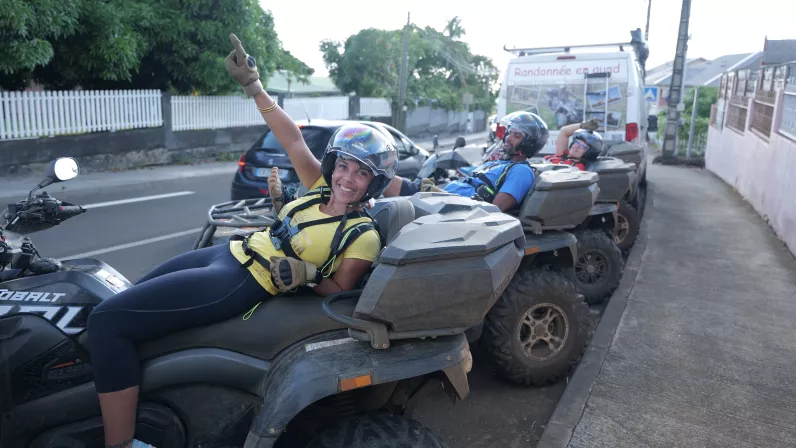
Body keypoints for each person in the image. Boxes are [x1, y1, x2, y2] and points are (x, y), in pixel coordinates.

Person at [86, 33, 397, 448]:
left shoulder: (363, 235)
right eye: (344, 165)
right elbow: (292, 139)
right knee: (128, 297)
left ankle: (121, 442)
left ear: (373, 181)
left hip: (245, 281)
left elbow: (340, 289)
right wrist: (255, 87)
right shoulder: (320, 189)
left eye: (360, 173)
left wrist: (305, 274)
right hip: (228, 253)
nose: (346, 178)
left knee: (107, 323)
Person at [382, 110, 550, 212]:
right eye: (510, 132)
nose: (508, 137)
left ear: (529, 143)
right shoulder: (499, 163)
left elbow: (495, 210)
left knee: (380, 179)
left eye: (516, 135)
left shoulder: (521, 172)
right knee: (381, 182)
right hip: (443, 193)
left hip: (448, 205)